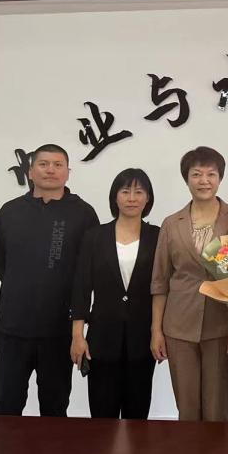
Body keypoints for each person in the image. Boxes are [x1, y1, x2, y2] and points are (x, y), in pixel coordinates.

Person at [0, 143, 99, 416]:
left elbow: (88, 272)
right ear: (30, 171)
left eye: (58, 164)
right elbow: (1, 262)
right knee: (6, 407)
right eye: (43, 164)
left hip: (58, 331)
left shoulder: (83, 214)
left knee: (54, 410)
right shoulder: (10, 212)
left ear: (68, 172)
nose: (50, 170)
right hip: (12, 329)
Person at [150, 146, 228, 421]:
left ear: (220, 178)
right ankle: (189, 451)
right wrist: (156, 330)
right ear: (187, 178)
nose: (203, 180)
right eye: (196, 174)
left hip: (223, 323)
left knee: (219, 407)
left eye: (211, 174)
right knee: (187, 407)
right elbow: (160, 282)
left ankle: (218, 451)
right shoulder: (171, 223)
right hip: (179, 325)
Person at [71, 169, 160, 419]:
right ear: (115, 196)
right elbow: (81, 288)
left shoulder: (158, 236)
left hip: (142, 338)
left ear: (148, 198)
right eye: (125, 191)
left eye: (139, 192)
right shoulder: (94, 237)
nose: (132, 198)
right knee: (102, 416)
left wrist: (159, 331)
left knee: (137, 415)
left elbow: (162, 287)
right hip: (102, 338)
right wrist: (77, 335)